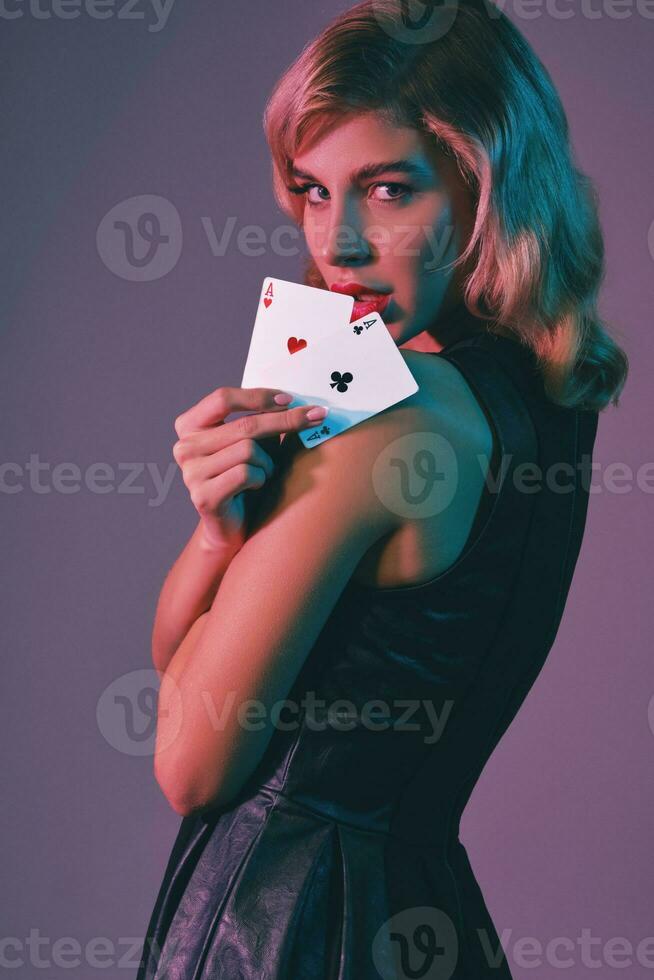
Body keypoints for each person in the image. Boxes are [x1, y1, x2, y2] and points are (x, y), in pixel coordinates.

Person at [136, 1, 628, 977]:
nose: (339, 244)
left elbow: (190, 760)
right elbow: (186, 670)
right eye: (315, 192)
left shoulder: (389, 416)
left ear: (484, 188)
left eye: (389, 188)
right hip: (419, 906)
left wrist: (230, 549)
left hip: (284, 924)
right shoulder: (541, 400)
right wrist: (216, 533)